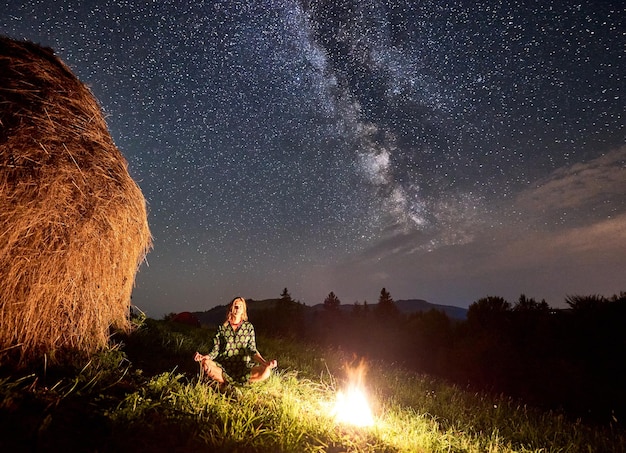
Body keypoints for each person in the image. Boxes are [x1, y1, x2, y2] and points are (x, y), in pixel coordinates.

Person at [194, 296, 277, 385]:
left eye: (240, 307)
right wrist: (203, 357)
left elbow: (252, 349)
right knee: (205, 364)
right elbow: (215, 351)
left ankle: (227, 381)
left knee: (266, 372)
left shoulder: (248, 327)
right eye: (235, 306)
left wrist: (265, 363)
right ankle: (233, 380)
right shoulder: (222, 328)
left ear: (243, 310)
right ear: (231, 308)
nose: (238, 309)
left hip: (243, 367)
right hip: (224, 367)